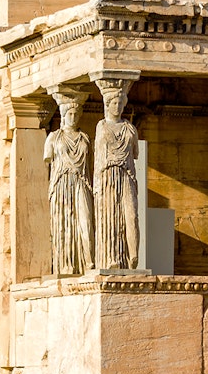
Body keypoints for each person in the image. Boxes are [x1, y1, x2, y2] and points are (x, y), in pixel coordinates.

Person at [44, 100, 94, 275]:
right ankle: (66, 264)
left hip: (81, 182)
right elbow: (48, 158)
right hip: (62, 183)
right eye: (69, 114)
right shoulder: (53, 137)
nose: (73, 117)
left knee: (85, 222)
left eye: (75, 114)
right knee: (64, 223)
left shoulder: (85, 138)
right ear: (63, 115)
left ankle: (88, 262)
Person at [94, 85, 139, 270]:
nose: (117, 106)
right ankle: (111, 260)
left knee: (131, 215)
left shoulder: (130, 129)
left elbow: (135, 153)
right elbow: (98, 155)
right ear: (107, 103)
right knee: (110, 216)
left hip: (126, 174)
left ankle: (133, 256)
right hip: (107, 175)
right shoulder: (102, 126)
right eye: (114, 102)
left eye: (121, 103)